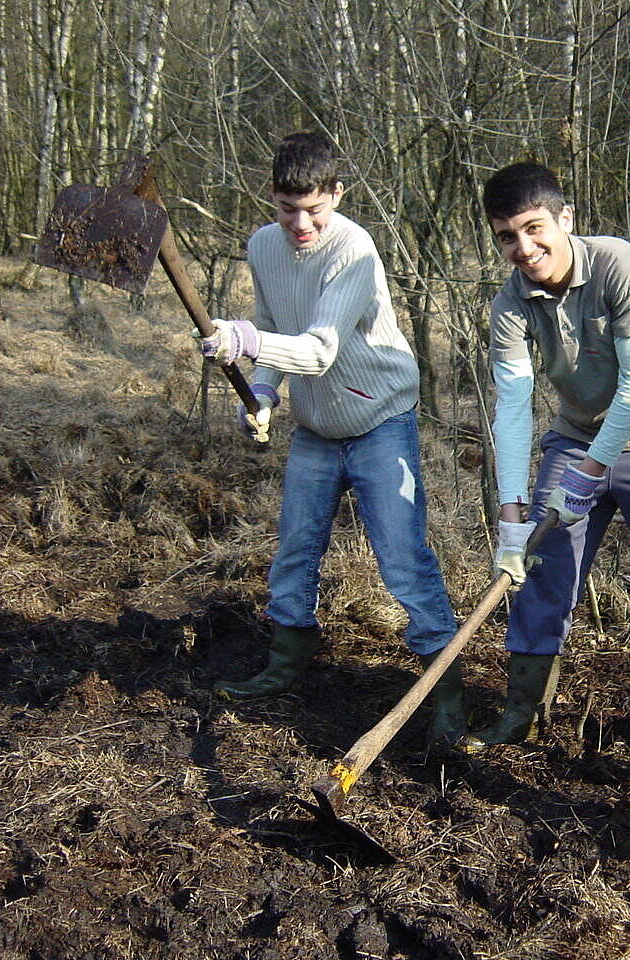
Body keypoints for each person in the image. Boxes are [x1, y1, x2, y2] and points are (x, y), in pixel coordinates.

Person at [197, 132, 462, 750]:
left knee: (401, 559)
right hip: (316, 426)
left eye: (314, 209)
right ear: (272, 200)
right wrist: (262, 390)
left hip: (379, 422)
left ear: (337, 195)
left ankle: (444, 689)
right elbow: (273, 329)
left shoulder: (356, 251)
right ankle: (286, 662)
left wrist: (247, 344)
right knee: (294, 548)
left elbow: (317, 348)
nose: (300, 224)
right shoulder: (263, 247)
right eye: (288, 209)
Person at [458, 161, 630, 753]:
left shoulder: (620, 266)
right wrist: (513, 514)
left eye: (534, 228)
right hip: (575, 437)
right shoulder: (510, 308)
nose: (524, 248)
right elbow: (515, 410)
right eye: (506, 236)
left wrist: (593, 470)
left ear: (565, 218)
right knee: (540, 569)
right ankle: (523, 711)